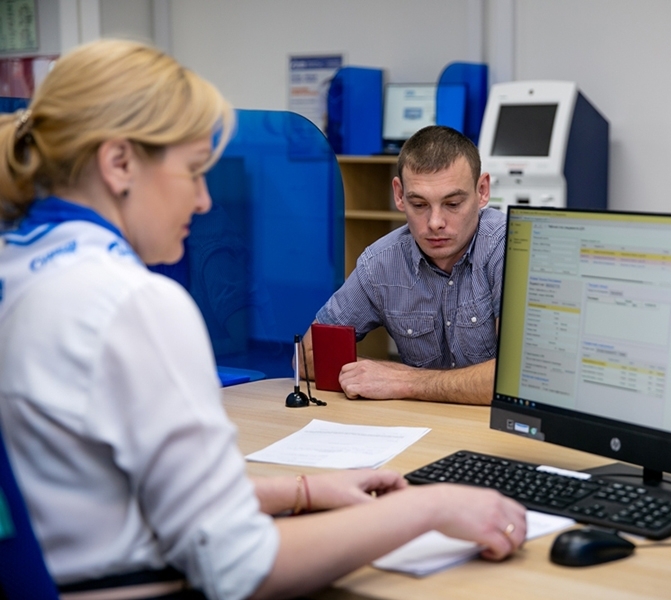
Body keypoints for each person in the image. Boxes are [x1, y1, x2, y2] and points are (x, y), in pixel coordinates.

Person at [0, 40, 526, 600]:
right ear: (119, 163)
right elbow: (239, 566)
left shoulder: (20, 265)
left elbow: (110, 502)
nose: (204, 200)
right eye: (194, 170)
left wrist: (298, 491)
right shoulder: (131, 302)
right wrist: (433, 504)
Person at [301, 126, 504, 405]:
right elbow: (307, 356)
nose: (435, 223)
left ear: (482, 191)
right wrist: (373, 373)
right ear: (399, 194)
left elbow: (518, 381)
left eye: (453, 203)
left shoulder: (508, 249)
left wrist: (402, 380)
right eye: (419, 204)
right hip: (415, 429)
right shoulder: (380, 263)